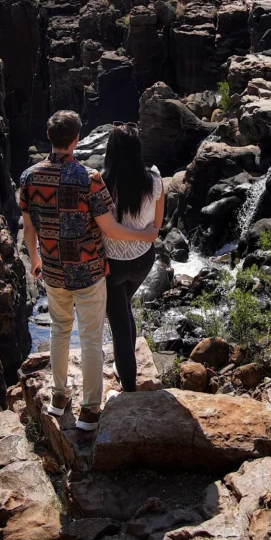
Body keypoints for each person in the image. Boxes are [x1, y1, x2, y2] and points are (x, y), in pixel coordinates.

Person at [19, 110, 159, 431]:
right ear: (77, 139)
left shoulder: (29, 178)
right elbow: (109, 229)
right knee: (91, 339)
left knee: (59, 330)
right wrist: (145, 236)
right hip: (89, 271)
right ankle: (91, 412)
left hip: (53, 269)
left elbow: (29, 228)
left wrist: (34, 259)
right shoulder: (89, 179)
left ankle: (58, 397)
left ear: (49, 136)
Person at [102, 122, 165, 392]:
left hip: (113, 264)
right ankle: (127, 366)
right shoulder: (154, 180)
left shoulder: (102, 184)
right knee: (125, 307)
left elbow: (101, 227)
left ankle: (128, 387)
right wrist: (143, 236)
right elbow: (155, 227)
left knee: (118, 320)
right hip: (143, 260)